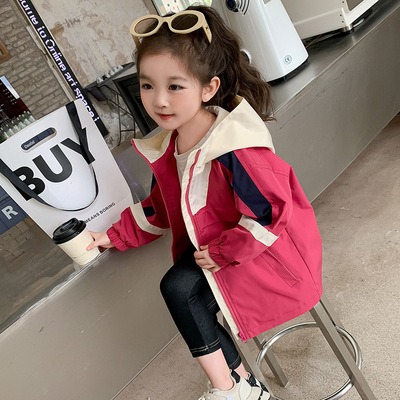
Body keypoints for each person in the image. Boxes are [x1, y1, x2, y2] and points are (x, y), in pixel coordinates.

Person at [87, 6, 323, 400]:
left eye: (175, 86)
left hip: (267, 256)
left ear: (209, 88)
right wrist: (113, 236)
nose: (159, 100)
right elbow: (161, 205)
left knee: (180, 290)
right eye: (147, 86)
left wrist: (224, 252)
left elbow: (269, 213)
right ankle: (239, 386)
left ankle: (233, 388)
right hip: (218, 253)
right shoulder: (171, 145)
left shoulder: (234, 147)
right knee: (181, 291)